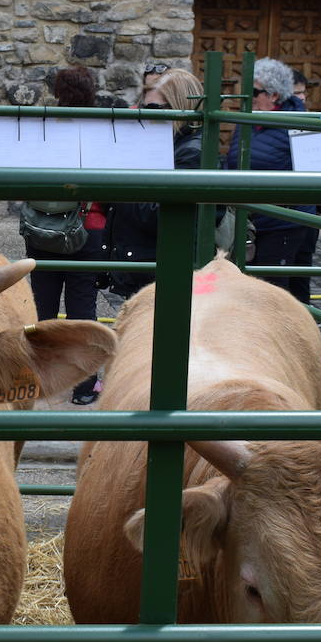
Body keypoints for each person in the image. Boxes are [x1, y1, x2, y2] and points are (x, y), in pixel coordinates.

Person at [22, 65, 105, 405]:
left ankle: (41, 377)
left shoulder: (42, 126)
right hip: (87, 226)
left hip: (43, 226)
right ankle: (84, 385)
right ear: (92, 91)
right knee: (82, 309)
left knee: (42, 305)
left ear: (57, 92)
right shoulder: (102, 128)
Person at [104, 68, 208, 300]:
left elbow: (161, 214)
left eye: (151, 109)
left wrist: (117, 185)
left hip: (162, 274)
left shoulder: (191, 153)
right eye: (143, 107)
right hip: (143, 269)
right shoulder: (161, 144)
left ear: (179, 107)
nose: (142, 116)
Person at [226, 56, 319, 303]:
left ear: (274, 95)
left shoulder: (297, 125)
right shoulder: (247, 121)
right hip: (252, 221)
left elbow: (312, 172)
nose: (248, 97)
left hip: (282, 222)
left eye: (254, 91)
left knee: (274, 292)